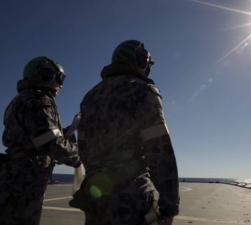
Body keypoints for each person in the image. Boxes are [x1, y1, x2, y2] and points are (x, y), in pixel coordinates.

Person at [71, 40, 179, 225]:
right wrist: (169, 206)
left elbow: (84, 147)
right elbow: (159, 150)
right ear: (140, 61)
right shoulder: (142, 91)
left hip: (96, 195)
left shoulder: (91, 97)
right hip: (130, 199)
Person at [0, 56, 81, 225]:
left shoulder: (20, 100)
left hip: (13, 176)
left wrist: (71, 128)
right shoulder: (39, 101)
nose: (61, 84)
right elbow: (52, 144)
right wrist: (79, 156)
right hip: (26, 181)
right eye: (59, 78)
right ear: (45, 76)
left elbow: (40, 138)